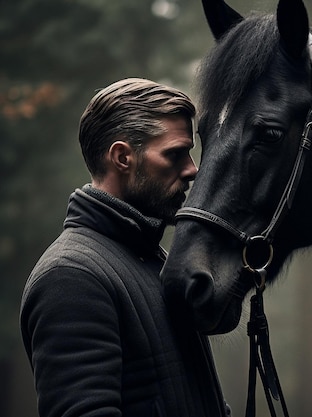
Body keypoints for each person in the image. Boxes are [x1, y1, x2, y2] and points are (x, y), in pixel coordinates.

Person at [20, 78, 230, 416]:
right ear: (122, 157)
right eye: (175, 154)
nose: (192, 169)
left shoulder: (152, 258)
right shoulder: (70, 278)